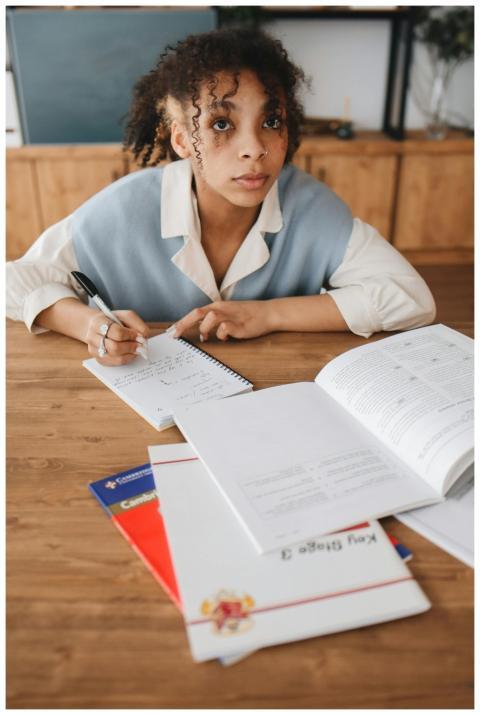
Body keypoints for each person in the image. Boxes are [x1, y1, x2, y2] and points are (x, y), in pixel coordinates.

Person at [6, 27, 436, 366]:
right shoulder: (120, 210)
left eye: (271, 121)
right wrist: (89, 324)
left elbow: (411, 299)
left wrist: (269, 314)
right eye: (221, 125)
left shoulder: (313, 207)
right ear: (181, 140)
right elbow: (12, 282)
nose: (254, 148)